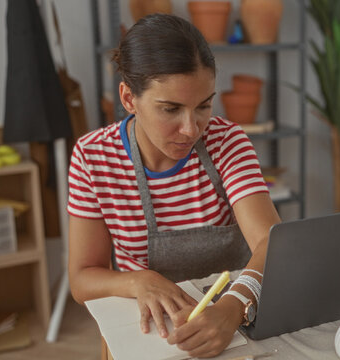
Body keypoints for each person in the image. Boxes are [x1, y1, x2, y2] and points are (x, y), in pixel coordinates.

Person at [67, 14, 281, 358]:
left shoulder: (227, 142)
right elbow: (81, 279)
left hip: (236, 314)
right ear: (128, 98)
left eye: (204, 106)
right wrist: (139, 281)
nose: (191, 128)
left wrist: (232, 308)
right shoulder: (93, 157)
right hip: (151, 329)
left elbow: (272, 243)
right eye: (170, 109)